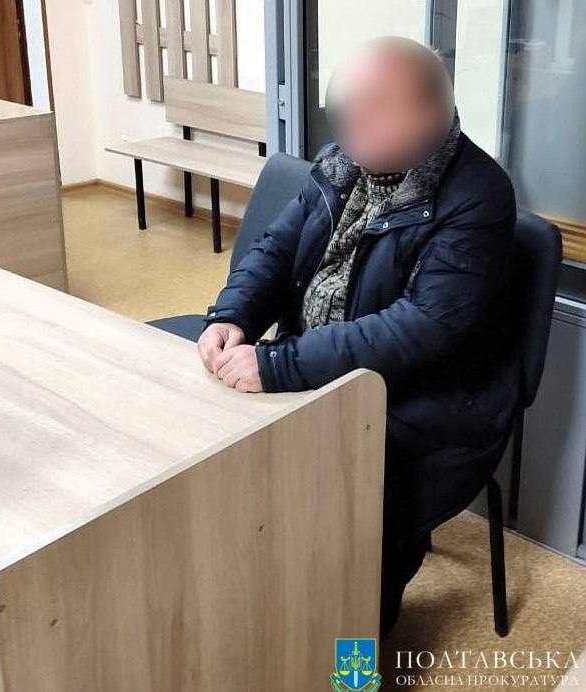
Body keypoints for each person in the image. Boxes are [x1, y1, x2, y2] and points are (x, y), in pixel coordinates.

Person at [197, 36, 519, 637]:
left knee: (356, 534)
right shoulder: (341, 162)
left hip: (421, 398)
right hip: (322, 365)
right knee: (223, 473)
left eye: (377, 106)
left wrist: (280, 365)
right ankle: (267, 620)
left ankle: (353, 661)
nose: (353, 122)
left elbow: (423, 328)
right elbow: (277, 248)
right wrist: (233, 314)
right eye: (350, 106)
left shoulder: (477, 194)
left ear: (432, 112)